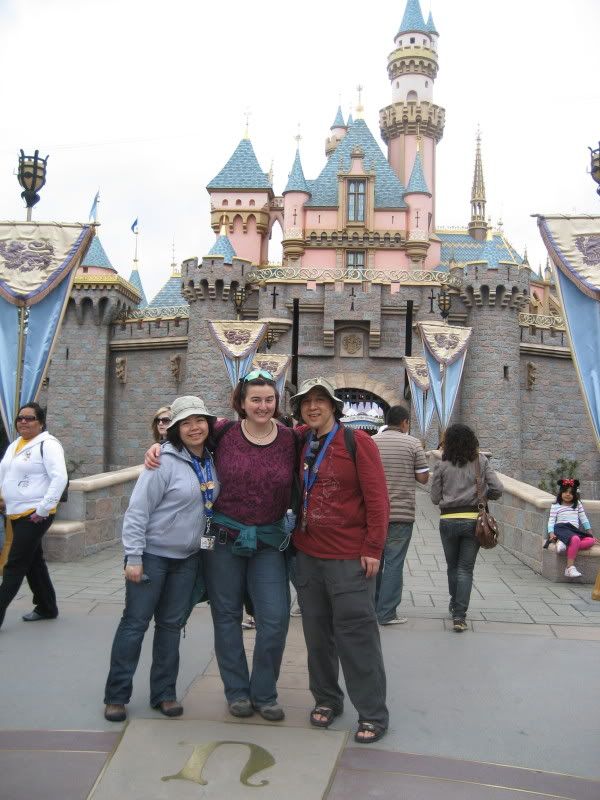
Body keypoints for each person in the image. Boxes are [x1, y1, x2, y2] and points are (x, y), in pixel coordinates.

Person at [145, 370, 295, 722]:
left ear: (277, 402)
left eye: (269, 399)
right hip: (224, 541)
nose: (262, 405)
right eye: (255, 399)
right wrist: (159, 447)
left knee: (274, 618)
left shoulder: (290, 438)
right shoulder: (223, 432)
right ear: (241, 403)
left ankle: (265, 692)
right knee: (226, 617)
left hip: (268, 542)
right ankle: (238, 692)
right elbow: (187, 437)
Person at [104, 395, 219, 722]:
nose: (194, 427)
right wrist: (134, 556)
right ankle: (116, 695)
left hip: (188, 559)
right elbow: (138, 511)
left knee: (171, 626)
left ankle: (164, 693)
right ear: (176, 429)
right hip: (153, 557)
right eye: (186, 422)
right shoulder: (162, 461)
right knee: (135, 625)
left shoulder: (211, 458)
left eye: (199, 420)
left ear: (208, 424)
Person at [290, 377, 390, 744]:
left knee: (356, 637)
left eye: (320, 401)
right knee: (317, 637)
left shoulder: (357, 441)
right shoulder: (301, 440)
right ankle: (327, 699)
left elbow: (378, 499)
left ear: (334, 406)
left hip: (349, 557)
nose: (312, 407)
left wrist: (373, 548)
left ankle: (373, 713)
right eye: (306, 402)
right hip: (308, 555)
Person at [0, 403, 68, 630]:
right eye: (20, 418)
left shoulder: (48, 445)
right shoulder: (15, 445)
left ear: (40, 422)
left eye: (29, 418)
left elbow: (59, 478)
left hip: (35, 515)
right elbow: (5, 474)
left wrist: (42, 509)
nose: (23, 422)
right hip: (15, 512)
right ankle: (47, 606)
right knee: (33, 562)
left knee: (14, 564)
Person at [430, 423, 503, 632]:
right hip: (474, 522)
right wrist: (484, 496)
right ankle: (459, 617)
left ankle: (454, 604)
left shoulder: (441, 465)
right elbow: (498, 488)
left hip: (448, 521)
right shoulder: (481, 461)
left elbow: (435, 498)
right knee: (465, 569)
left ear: (448, 443)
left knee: (452, 567)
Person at [373, 404, 429, 625]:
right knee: (394, 563)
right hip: (401, 513)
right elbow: (423, 478)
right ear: (405, 422)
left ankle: (373, 606)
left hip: (375, 513)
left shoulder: (372, 442)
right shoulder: (413, 443)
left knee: (374, 560)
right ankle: (386, 613)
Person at [546, 478, 596, 578]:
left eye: (571, 493)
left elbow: (584, 519)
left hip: (573, 531)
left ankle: (564, 543)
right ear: (561, 493)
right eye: (565, 492)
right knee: (575, 539)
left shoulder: (577, 505)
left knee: (591, 541)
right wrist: (551, 533)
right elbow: (551, 520)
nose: (568, 494)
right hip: (561, 528)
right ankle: (569, 568)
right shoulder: (556, 505)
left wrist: (590, 533)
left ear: (575, 495)